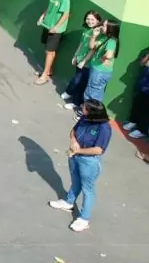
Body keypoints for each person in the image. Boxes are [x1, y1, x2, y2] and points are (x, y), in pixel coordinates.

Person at [48, 99, 112, 233]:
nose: (82, 107)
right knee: (75, 181)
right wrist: (73, 141)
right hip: (75, 156)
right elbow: (73, 131)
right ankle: (68, 202)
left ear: (92, 112)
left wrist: (79, 151)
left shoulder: (104, 128)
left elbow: (99, 150)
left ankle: (84, 218)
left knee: (87, 189)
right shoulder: (84, 118)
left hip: (89, 162)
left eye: (85, 107)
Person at [35, 0, 72, 86]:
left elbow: (66, 14)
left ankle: (45, 75)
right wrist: (42, 17)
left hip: (55, 30)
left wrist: (56, 27)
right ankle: (49, 70)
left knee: (50, 52)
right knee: (48, 50)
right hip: (47, 26)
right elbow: (49, 8)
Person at [62, 11, 103, 111]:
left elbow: (93, 50)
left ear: (98, 20)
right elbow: (81, 44)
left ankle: (76, 102)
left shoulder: (98, 34)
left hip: (87, 64)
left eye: (92, 19)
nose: (89, 21)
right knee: (77, 80)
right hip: (80, 59)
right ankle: (71, 93)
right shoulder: (86, 30)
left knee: (79, 82)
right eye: (88, 19)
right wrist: (75, 56)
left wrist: (84, 61)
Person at [82, 19, 120, 103]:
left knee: (92, 93)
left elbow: (109, 55)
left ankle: (90, 114)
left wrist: (102, 58)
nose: (102, 27)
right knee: (94, 91)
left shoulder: (111, 41)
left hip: (100, 72)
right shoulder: (104, 37)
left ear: (111, 28)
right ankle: (89, 112)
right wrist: (94, 36)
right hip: (96, 70)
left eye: (105, 25)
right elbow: (92, 47)